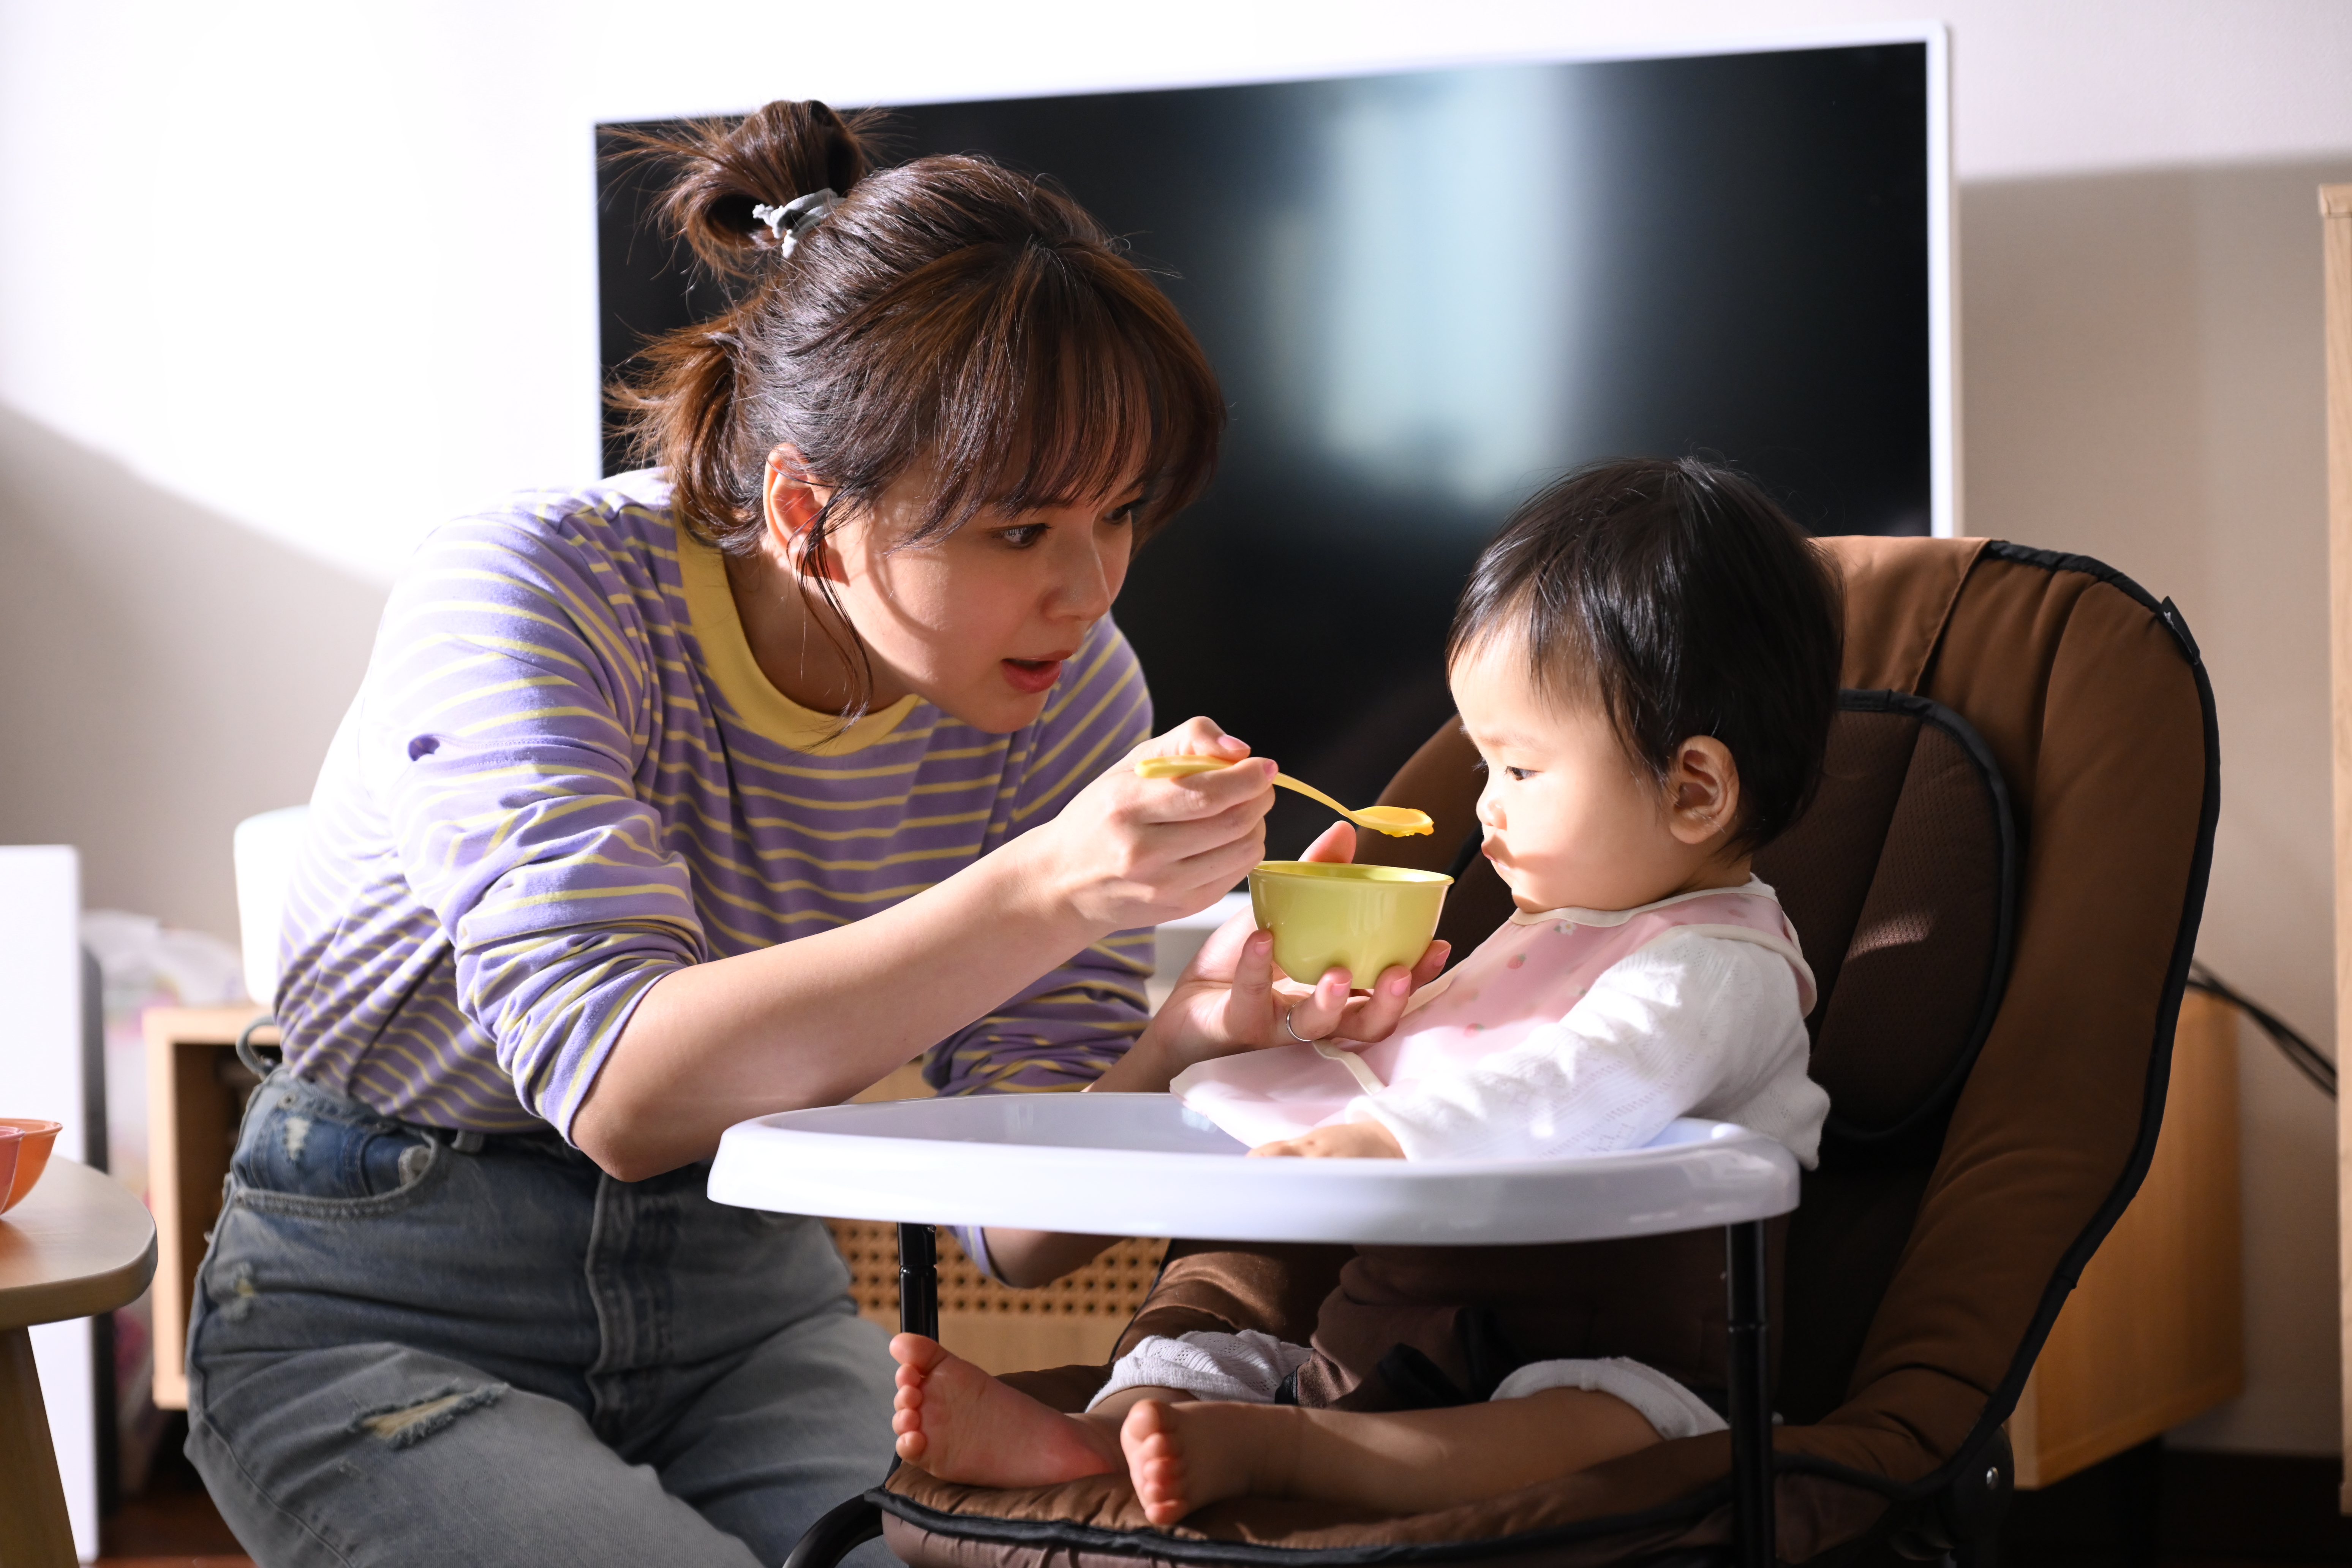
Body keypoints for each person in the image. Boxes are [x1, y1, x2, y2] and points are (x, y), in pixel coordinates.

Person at [182, 100, 1407, 1568]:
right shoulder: (530, 594)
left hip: (744, 1290)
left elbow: (1014, 1237)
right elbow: (624, 1093)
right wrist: (1051, 887)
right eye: (1020, 531)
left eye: (1122, 514)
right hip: (383, 1292)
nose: (1089, 591)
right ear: (807, 510)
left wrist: (1181, 1046)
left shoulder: (1073, 695)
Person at [887, 456, 1843, 1526]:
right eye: (1483, 765)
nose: (1486, 809)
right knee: (1212, 1318)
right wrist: (1281, 1043)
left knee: (1599, 1422)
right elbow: (1417, 1064)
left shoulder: (1719, 969)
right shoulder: (1540, 934)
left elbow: (1578, 1082)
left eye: (1520, 771)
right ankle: (1108, 1430)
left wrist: (1385, 1140)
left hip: (1609, 1340)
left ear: (1695, 789)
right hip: (1405, 1316)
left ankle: (1286, 1454)